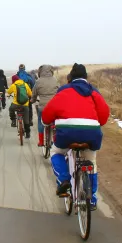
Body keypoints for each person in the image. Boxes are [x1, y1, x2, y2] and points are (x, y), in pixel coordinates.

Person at [42, 63, 110, 210]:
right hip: (91, 133)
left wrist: (45, 121)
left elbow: (47, 114)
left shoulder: (63, 91)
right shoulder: (94, 92)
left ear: (70, 78)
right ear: (86, 77)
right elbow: (104, 116)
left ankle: (64, 179)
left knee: (56, 152)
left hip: (67, 133)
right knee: (91, 161)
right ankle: (91, 199)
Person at [30, 65, 59, 146]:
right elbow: (59, 92)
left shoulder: (38, 81)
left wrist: (32, 100)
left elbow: (34, 94)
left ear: (40, 71)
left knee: (40, 122)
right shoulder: (55, 80)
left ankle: (41, 141)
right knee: (55, 122)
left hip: (43, 107)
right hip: (54, 107)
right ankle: (55, 139)